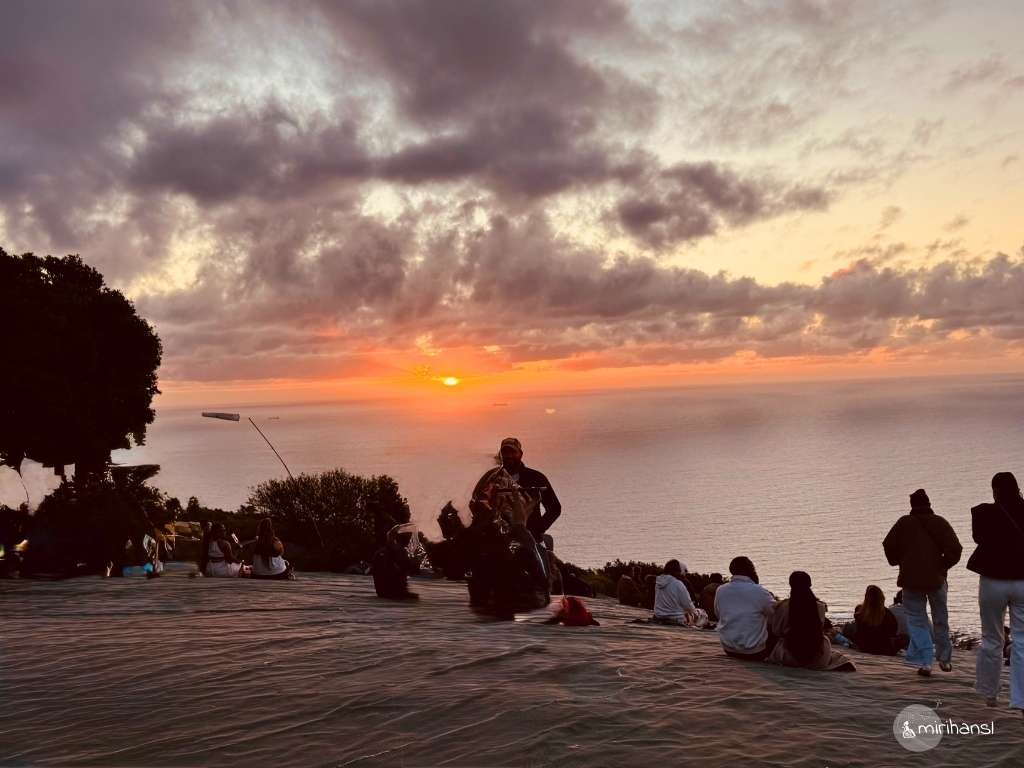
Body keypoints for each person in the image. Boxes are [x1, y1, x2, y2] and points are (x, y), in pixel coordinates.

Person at [882, 488, 962, 676]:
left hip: (910, 580)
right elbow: (955, 549)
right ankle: (945, 660)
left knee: (917, 621)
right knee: (940, 619)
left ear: (912, 505)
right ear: (929, 503)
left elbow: (888, 544)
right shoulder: (940, 522)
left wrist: (898, 561)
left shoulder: (903, 523)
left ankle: (926, 662)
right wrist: (943, 566)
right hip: (936, 579)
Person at [966, 472, 1024, 714]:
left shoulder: (983, 512)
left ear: (994, 490)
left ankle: (990, 694)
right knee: (1022, 640)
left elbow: (978, 537)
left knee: (992, 638)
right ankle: (1020, 700)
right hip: (1022, 581)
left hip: (992, 581)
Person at [473, 438, 561, 544]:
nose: (509, 456)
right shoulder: (490, 478)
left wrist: (537, 529)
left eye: (513, 452)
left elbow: (554, 508)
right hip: (497, 539)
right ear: (500, 455)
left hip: (530, 539)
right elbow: (475, 503)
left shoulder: (537, 477)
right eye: (505, 452)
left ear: (521, 454)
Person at [767, 571, 855, 671]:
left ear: (791, 584)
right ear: (810, 584)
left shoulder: (783, 606)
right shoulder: (820, 607)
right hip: (819, 657)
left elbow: (776, 630)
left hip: (789, 656)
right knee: (835, 654)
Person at [714, 556, 776, 659]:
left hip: (729, 649)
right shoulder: (759, 592)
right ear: (751, 570)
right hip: (755, 652)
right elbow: (775, 615)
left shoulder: (721, 590)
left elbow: (718, 613)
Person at [845, 585, 900, 655]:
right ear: (882, 598)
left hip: (864, 647)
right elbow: (893, 632)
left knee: (847, 627)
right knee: (904, 638)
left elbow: (858, 633)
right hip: (884, 648)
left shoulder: (860, 611)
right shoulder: (888, 614)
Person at [654, 559, 699, 625]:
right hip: (676, 618)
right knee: (702, 614)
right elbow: (687, 604)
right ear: (677, 571)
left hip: (658, 616)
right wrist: (696, 613)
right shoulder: (678, 584)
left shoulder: (658, 582)